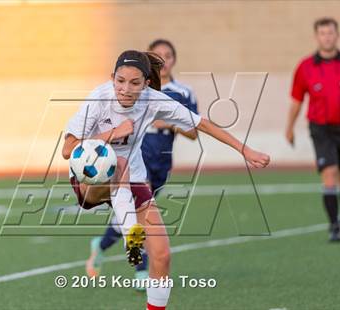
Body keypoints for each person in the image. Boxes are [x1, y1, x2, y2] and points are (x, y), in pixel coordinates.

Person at [63, 49, 270, 310]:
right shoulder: (99, 98)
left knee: (161, 254)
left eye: (135, 83)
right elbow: (68, 149)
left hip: (132, 180)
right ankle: (130, 236)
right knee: (121, 163)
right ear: (111, 78)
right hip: (89, 178)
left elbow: (201, 124)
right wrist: (114, 132)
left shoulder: (154, 100)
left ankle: (136, 248)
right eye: (120, 81)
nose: (126, 89)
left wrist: (245, 150)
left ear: (147, 84)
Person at [85, 39, 199, 290]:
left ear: (174, 59)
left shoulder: (183, 93)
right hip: (138, 157)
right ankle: (141, 270)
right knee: (140, 217)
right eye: (159, 56)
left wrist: (167, 122)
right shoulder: (137, 91)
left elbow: (193, 132)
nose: (164, 60)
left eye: (168, 55)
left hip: (162, 160)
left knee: (133, 217)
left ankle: (101, 245)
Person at [286, 17, 340, 242]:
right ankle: (334, 226)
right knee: (329, 174)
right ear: (316, 37)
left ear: (337, 35)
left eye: (330, 33)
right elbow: (296, 100)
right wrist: (289, 128)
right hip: (321, 129)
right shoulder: (306, 67)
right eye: (322, 33)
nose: (327, 37)